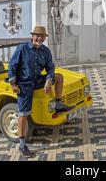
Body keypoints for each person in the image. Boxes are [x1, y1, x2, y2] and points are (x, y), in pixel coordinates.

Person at [7, 25, 74, 157]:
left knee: (59, 77)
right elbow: (12, 65)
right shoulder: (22, 48)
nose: (39, 38)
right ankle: (22, 145)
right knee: (23, 113)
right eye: (37, 35)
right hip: (24, 84)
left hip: (37, 80)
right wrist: (13, 84)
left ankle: (59, 105)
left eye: (42, 36)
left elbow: (50, 68)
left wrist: (49, 80)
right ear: (32, 36)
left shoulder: (45, 51)